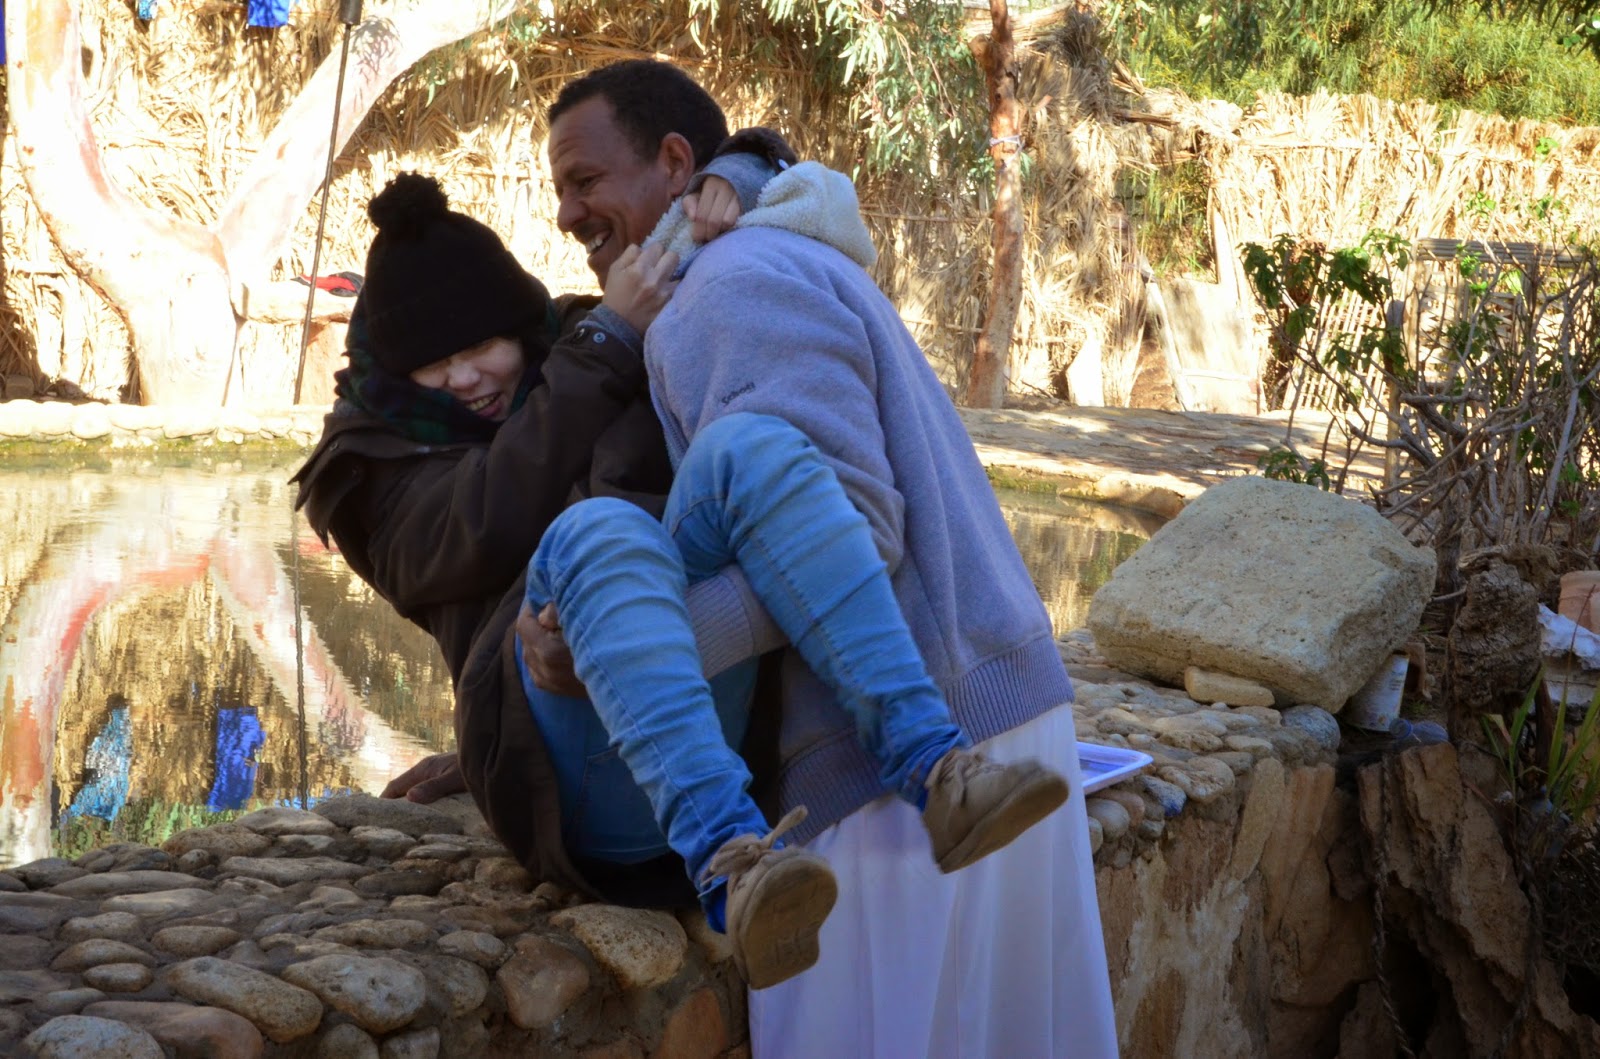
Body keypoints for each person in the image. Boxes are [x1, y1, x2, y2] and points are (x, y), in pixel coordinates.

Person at [525, 60, 1119, 1057]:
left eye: (585, 180)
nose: (566, 214)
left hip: (882, 794)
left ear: (673, 163)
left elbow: (853, 527)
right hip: (992, 725)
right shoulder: (776, 256)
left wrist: (637, 654)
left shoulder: (721, 291)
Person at [291, 130, 797, 911]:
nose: (465, 377)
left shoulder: (576, 348)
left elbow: (693, 248)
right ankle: (734, 870)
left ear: (520, 325)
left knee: (751, 461)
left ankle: (916, 753)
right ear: (392, 369)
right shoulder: (367, 466)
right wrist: (495, 740)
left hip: (709, 703)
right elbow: (487, 517)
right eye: (432, 363)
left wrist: (744, 164)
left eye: (482, 344)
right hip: (569, 766)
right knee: (597, 534)